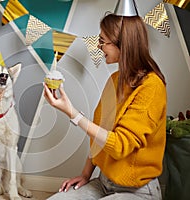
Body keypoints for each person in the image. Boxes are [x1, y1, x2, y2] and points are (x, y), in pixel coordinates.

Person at [44, 11, 167, 200]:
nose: (99, 47)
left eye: (103, 41)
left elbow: (118, 145)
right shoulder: (115, 79)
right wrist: (86, 174)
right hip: (103, 183)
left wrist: (73, 114)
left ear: (123, 43)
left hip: (138, 191)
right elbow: (99, 135)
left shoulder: (152, 87)